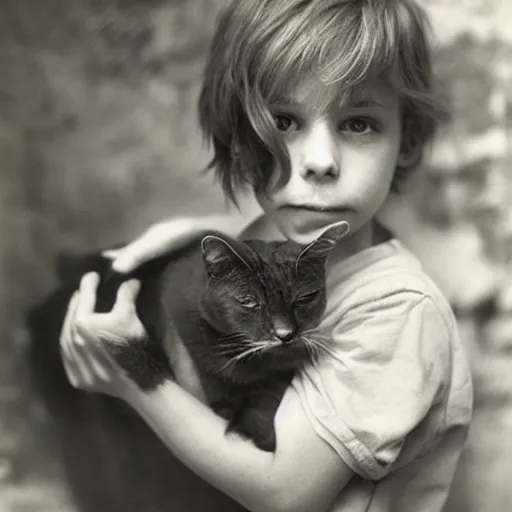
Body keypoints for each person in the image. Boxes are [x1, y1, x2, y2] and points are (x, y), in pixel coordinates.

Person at [59, 1, 473, 511]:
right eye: (283, 121)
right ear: (237, 140)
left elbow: (283, 494)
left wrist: (137, 377)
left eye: (359, 124)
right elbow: (262, 254)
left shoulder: (400, 312)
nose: (320, 163)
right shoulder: (268, 237)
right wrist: (197, 232)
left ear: (405, 140)